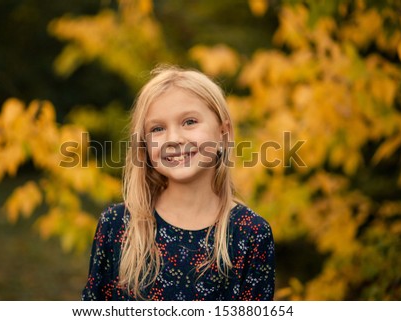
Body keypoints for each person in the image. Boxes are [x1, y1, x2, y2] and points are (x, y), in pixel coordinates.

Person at [82, 65, 275, 301]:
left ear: (223, 133)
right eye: (157, 128)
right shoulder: (117, 225)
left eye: (190, 121)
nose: (173, 139)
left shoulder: (251, 233)